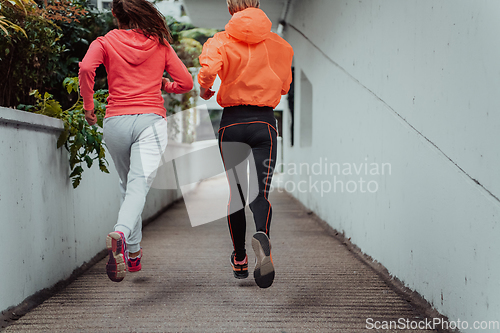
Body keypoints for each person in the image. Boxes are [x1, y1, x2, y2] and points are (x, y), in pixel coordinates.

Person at [78, 0, 193, 282]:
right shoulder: (160, 44)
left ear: (116, 14)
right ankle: (120, 233)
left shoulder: (104, 42)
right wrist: (165, 84)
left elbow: (85, 69)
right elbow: (187, 83)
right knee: (138, 186)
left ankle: (133, 252)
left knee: (128, 185)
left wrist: (89, 106)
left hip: (116, 121)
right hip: (151, 120)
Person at [198, 0, 293, 288]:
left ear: (231, 8)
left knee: (236, 194)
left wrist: (206, 89)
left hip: (232, 124)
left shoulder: (220, 41)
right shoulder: (279, 44)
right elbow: (284, 86)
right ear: (257, 4)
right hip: (264, 123)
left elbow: (208, 71)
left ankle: (239, 257)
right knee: (260, 192)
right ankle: (262, 236)